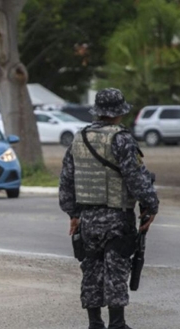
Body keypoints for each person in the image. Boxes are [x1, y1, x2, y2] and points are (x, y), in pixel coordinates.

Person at [59, 88, 159, 329]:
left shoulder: (79, 138)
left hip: (88, 219)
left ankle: (95, 323)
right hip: (116, 218)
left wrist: (73, 214)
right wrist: (150, 205)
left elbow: (66, 180)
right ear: (119, 113)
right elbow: (135, 178)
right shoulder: (122, 139)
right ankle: (117, 323)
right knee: (116, 271)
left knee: (91, 270)